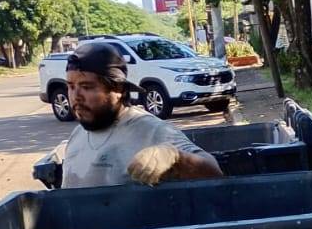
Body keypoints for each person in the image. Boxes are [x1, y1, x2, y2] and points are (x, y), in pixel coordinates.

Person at [57, 40, 223, 188]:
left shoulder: (150, 131)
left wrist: (177, 158)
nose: (76, 96)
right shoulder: (77, 135)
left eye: (87, 87)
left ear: (119, 89)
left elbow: (214, 174)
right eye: (71, 86)